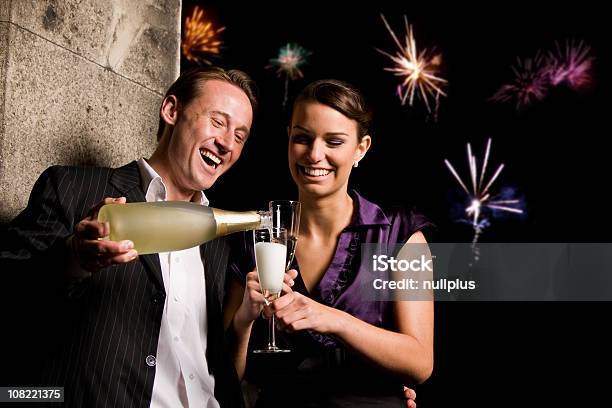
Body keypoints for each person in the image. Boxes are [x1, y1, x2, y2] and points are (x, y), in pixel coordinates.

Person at [1, 66, 256, 407]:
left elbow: (207, 359)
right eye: (217, 121)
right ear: (171, 111)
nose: (227, 143)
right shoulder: (72, 188)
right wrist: (73, 258)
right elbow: (8, 293)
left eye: (240, 136)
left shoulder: (218, 244)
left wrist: (244, 322)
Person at [224, 79, 433, 407]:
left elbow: (420, 362)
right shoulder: (253, 239)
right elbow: (224, 379)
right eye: (302, 138)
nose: (314, 154)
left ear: (360, 148)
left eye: (334, 141)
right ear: (289, 138)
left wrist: (332, 319)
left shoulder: (400, 236)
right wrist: (243, 321)